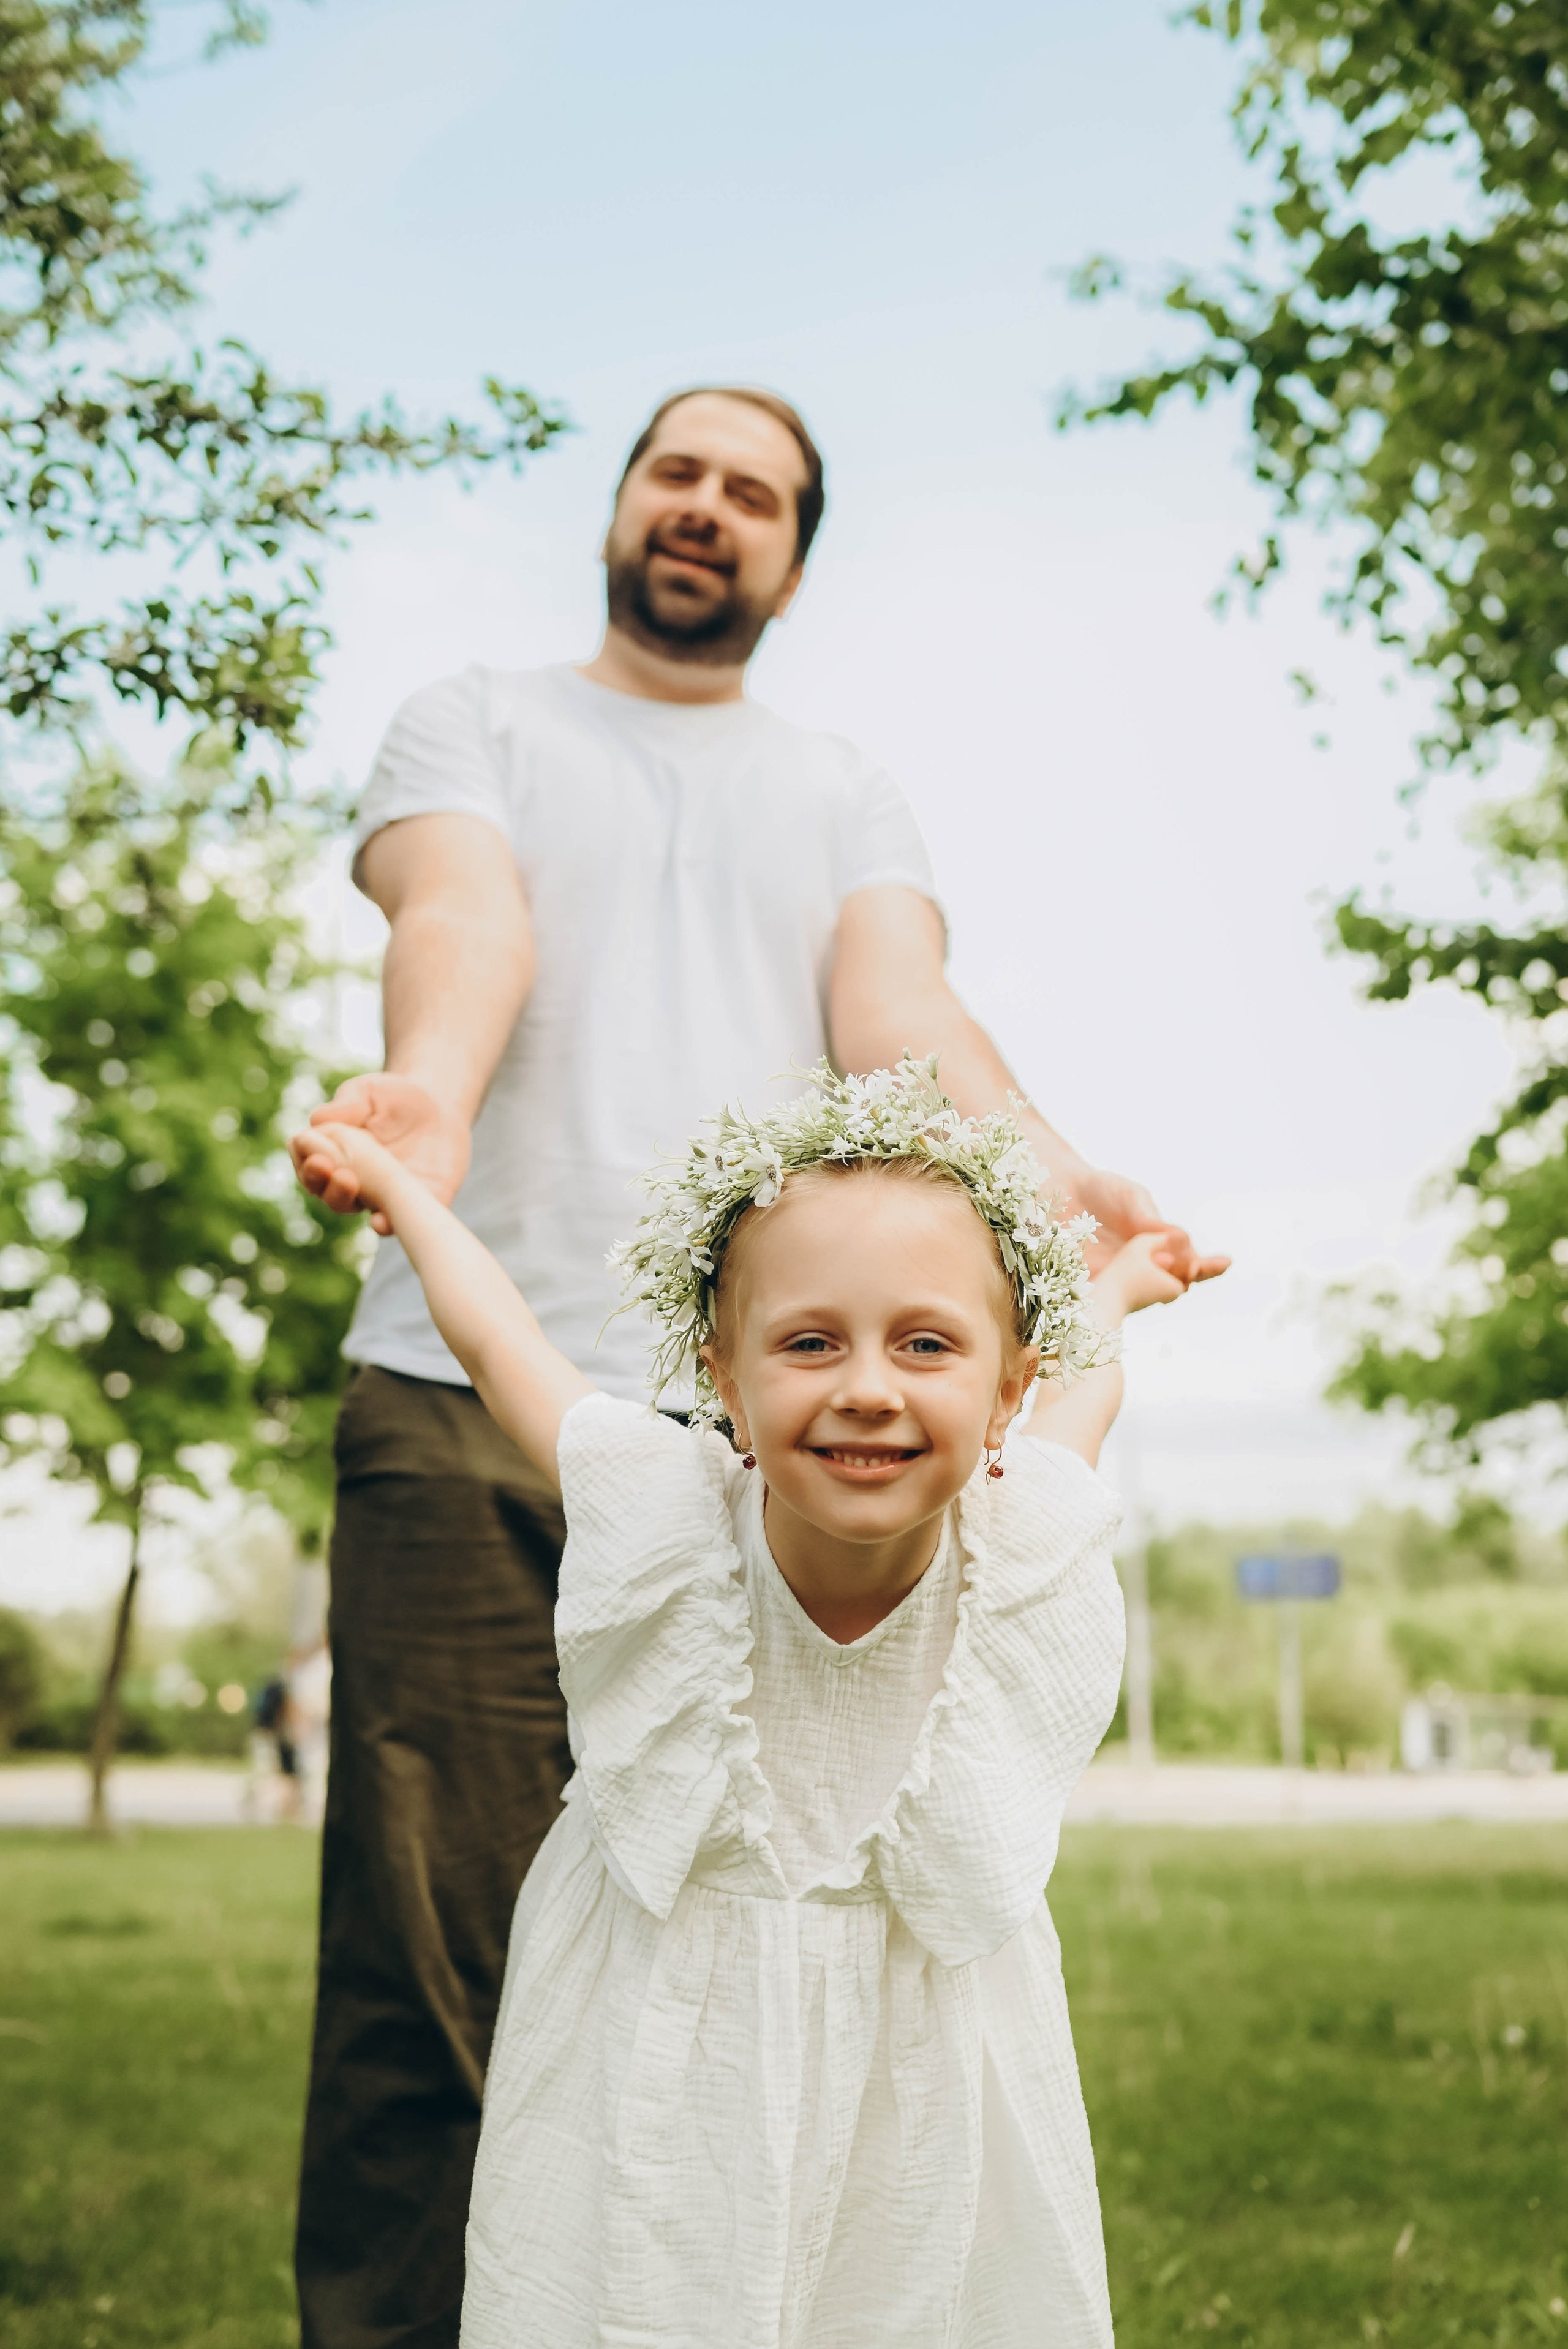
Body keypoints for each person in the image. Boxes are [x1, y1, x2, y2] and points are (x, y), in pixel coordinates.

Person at [289, 384, 1226, 2347]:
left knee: (753, 1960)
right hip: (473, 1399)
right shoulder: (478, 719)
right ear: (623, 507)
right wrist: (427, 1106)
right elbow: (466, 912)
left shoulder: (839, 789)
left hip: (788, 1455)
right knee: (428, 1965)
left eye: (756, 491)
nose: (707, 505)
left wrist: (1054, 1185)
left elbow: (901, 1009)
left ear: (795, 560)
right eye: (678, 471)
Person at [301, 1058, 1183, 2347]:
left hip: (924, 2054)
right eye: (810, 1342)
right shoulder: (666, 1522)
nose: (868, 1386)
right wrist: (403, 1190)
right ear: (725, 1380)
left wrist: (1120, 1283)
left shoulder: (1020, 1541)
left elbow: (1087, 1386)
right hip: (659, 2036)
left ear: (1007, 1390)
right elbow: (498, 1343)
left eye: (926, 1343)